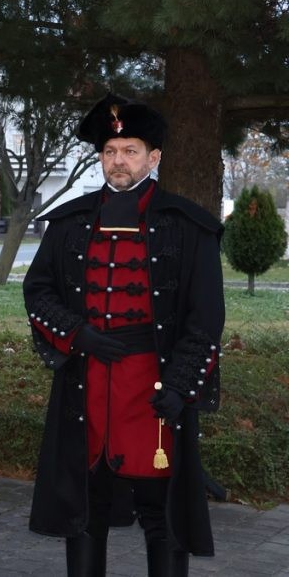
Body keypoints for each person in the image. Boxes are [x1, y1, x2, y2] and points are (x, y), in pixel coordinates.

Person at [23, 93, 224, 577]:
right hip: (85, 388)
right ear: (100, 158)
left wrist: (181, 387)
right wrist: (76, 334)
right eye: (111, 152)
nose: (119, 160)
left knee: (162, 516)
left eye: (130, 150)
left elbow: (206, 318)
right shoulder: (70, 221)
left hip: (154, 391)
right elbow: (38, 290)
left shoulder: (186, 226)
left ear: (153, 158)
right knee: (86, 514)